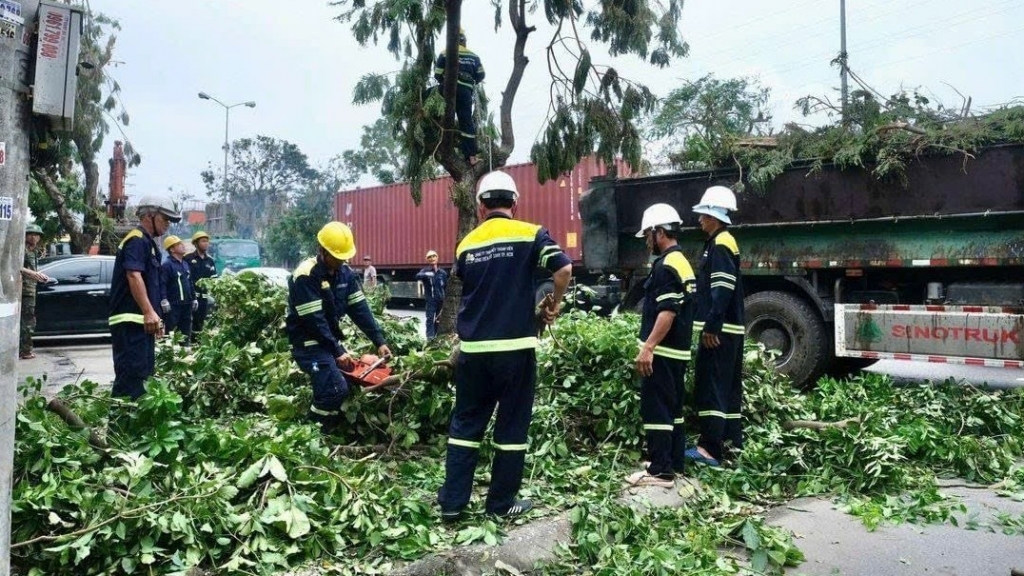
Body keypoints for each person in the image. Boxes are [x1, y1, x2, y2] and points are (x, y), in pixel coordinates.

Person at [438, 171, 572, 522]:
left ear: (480, 206)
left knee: (465, 425)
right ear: (515, 202)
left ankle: (453, 503)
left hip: (474, 352)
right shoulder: (531, 234)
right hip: (515, 350)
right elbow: (563, 270)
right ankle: (500, 504)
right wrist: (552, 304)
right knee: (511, 426)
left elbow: (469, 285)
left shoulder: (466, 244)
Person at [626, 204, 696, 488]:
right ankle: (672, 461)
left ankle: (660, 471)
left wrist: (649, 347)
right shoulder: (681, 261)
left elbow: (667, 312)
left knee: (656, 410)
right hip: (677, 351)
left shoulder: (667, 266)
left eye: (649, 235)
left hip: (664, 352)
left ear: (660, 232)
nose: (646, 241)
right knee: (673, 409)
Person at [687, 186, 745, 467]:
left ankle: (710, 450)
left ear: (716, 216)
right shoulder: (724, 241)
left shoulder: (721, 244)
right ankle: (732, 443)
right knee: (728, 388)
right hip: (730, 329)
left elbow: (722, 288)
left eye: (704, 215)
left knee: (711, 388)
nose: (700, 220)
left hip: (720, 331)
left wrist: (711, 326)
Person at [287, 222, 362, 434]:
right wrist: (337, 350)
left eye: (343, 257)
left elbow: (359, 309)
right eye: (337, 257)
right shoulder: (306, 275)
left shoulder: (344, 273)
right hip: (308, 344)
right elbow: (314, 321)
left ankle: (329, 429)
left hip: (327, 343)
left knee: (341, 385)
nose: (341, 261)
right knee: (335, 390)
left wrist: (380, 340)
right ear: (323, 251)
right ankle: (310, 433)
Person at [109, 197, 180, 399]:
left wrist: (156, 317)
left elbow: (152, 285)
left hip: (141, 323)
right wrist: (149, 312)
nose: (167, 224)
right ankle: (119, 428)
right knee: (130, 380)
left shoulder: (149, 244)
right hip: (130, 321)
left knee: (143, 379)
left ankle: (135, 429)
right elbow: (133, 274)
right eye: (165, 219)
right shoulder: (136, 240)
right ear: (150, 216)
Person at [434, 28, 486, 165]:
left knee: (432, 100)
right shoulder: (474, 56)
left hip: (447, 91)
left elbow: (437, 74)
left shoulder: (445, 53)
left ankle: (437, 133)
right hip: (466, 92)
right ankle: (471, 156)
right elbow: (481, 75)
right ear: (464, 40)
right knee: (466, 121)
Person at [20, 224, 51, 360]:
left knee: (29, 320)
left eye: (37, 235)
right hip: (24, 290)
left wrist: (40, 276)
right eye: (31, 234)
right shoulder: (22, 249)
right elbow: (15, 265)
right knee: (28, 322)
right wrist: (33, 273)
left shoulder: (34, 251)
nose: (34, 237)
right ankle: (25, 350)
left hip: (31, 289)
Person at [159, 235, 197, 343]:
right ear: (172, 249)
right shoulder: (167, 265)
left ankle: (184, 353)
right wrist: (164, 299)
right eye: (179, 244)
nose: (183, 246)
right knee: (171, 332)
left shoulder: (185, 264)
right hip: (173, 306)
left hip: (186, 305)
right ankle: (170, 354)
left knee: (185, 332)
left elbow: (190, 282)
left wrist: (194, 298)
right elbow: (163, 284)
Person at [184, 230, 217, 343]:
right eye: (203, 241)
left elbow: (214, 280)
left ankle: (196, 344)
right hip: (190, 297)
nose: (206, 243)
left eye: (207, 241)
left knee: (200, 322)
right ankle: (186, 343)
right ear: (196, 243)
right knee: (188, 321)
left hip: (203, 299)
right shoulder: (188, 259)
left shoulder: (210, 261)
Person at [416, 250, 448, 339]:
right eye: (429, 257)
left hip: (441, 300)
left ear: (437, 258)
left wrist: (445, 299)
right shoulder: (424, 271)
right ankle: (430, 338)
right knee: (430, 319)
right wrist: (427, 274)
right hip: (431, 300)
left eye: (434, 256)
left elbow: (446, 286)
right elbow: (417, 276)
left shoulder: (442, 273)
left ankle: (436, 337)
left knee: (439, 319)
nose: (432, 258)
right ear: (427, 260)